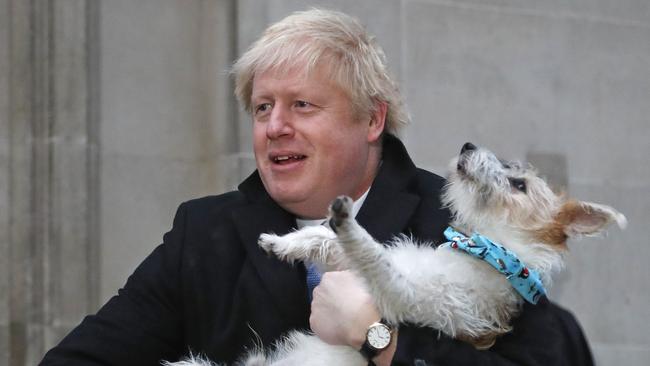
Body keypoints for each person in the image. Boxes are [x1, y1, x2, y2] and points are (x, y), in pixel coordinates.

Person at [41, 8, 594, 366]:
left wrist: (381, 339)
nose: (275, 126)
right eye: (262, 107)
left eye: (302, 104)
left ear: (371, 120)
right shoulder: (201, 231)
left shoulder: (461, 224)